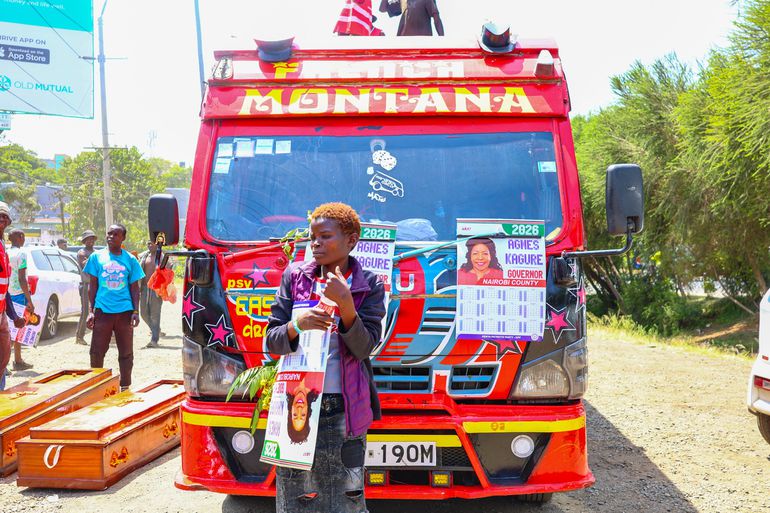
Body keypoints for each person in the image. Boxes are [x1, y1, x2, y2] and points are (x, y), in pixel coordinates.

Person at [266, 202, 386, 513]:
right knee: (295, 499)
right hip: (297, 406)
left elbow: (364, 348)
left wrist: (346, 304)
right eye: (312, 237)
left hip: (344, 410)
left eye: (325, 236)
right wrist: (297, 325)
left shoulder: (369, 284)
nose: (316, 243)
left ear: (351, 240)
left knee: (346, 499)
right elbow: (272, 342)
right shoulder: (294, 277)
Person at [84, 224, 144, 392]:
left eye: (115, 234)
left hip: (124, 312)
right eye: (109, 233)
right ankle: (96, 384)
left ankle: (125, 385)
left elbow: (135, 288)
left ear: (123, 238)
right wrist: (90, 311)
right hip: (102, 311)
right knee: (97, 351)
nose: (111, 236)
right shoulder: (96, 257)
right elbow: (92, 286)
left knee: (126, 352)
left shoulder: (130, 260)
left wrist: (135, 311)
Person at [0, 202, 27, 390]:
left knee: (3, 359)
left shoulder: (3, 248)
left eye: (5, 216)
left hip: (2, 312)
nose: (2, 219)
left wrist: (13, 316)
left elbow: (5, 287)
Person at [7, 229, 33, 371]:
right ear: (20, 237)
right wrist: (29, 300)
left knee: (11, 329)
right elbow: (22, 279)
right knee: (16, 328)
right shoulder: (21, 254)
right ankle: (5, 363)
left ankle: (17, 360)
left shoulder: (5, 252)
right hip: (18, 295)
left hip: (6, 294)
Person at [138, 240, 163, 348]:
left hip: (156, 289)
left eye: (151, 243)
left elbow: (168, 269)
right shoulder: (144, 256)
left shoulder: (161, 257)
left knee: (155, 315)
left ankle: (154, 339)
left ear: (157, 245)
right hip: (144, 288)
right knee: (143, 313)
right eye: (148, 243)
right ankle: (155, 330)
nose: (149, 245)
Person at [75, 229, 97, 346]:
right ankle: (79, 336)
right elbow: (86, 265)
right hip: (86, 285)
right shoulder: (81, 253)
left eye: (92, 239)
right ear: (84, 241)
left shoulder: (96, 252)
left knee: (97, 310)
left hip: (96, 285)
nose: (90, 241)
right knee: (85, 312)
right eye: (88, 239)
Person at [286, 378, 321, 444]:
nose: (299, 409)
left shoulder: (286, 384)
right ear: (307, 412)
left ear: (291, 411)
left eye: (295, 415)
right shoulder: (318, 385)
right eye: (303, 415)